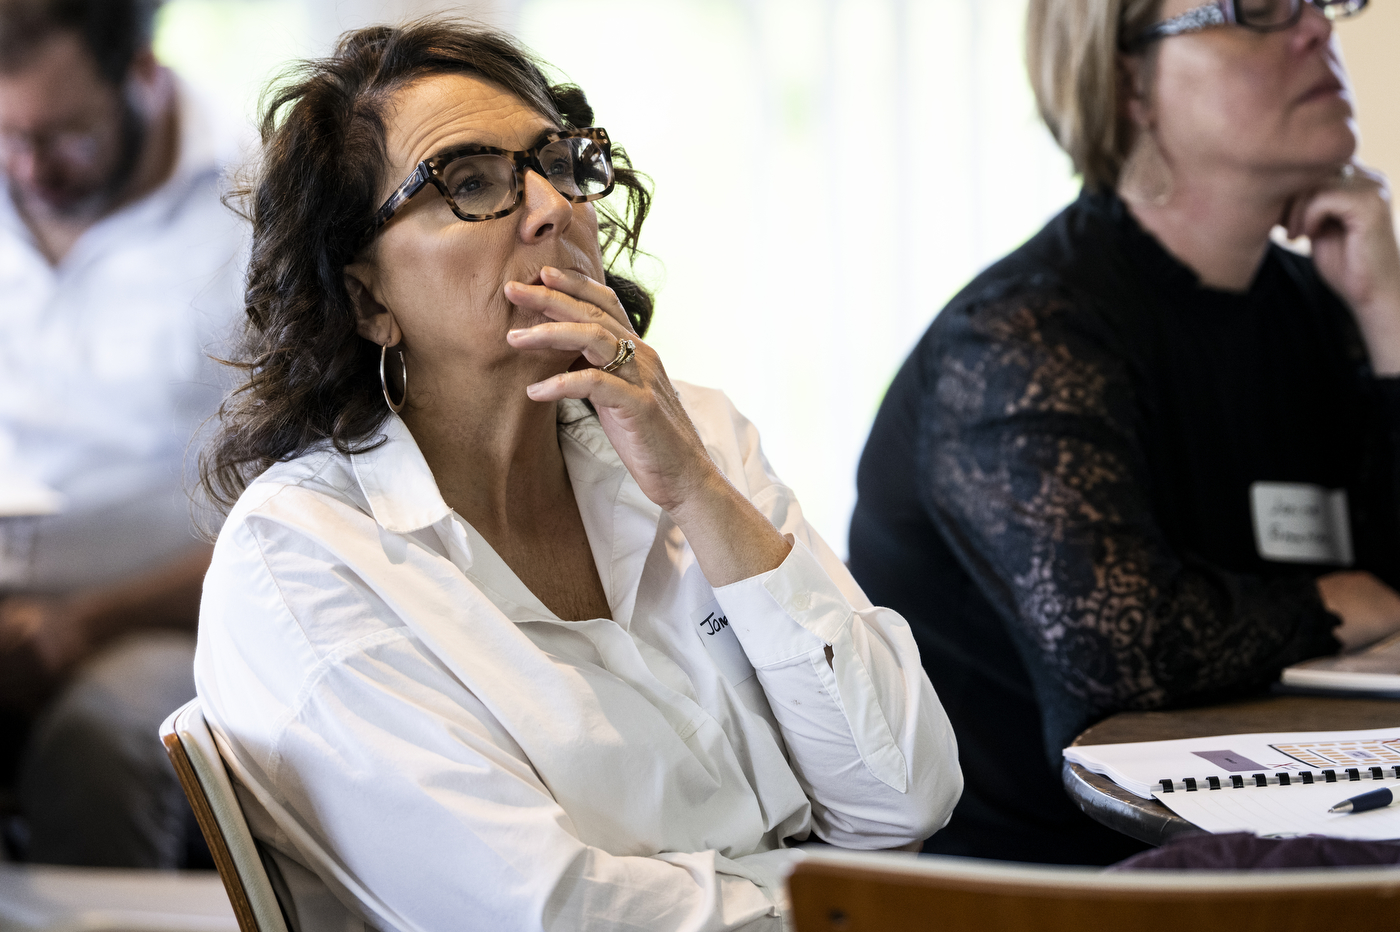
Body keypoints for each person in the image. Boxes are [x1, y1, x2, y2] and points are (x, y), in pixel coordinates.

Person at [193, 20, 961, 932]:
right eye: (469, 182)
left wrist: (700, 494)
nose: (553, 207)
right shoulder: (304, 561)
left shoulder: (695, 432)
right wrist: (837, 902)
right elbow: (547, 913)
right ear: (366, 300)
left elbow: (900, 798)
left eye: (557, 163)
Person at [849, 0, 1400, 866]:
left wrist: (1388, 317)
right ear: (1125, 79)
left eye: (1318, 2)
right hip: (1045, 890)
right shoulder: (1022, 334)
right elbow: (1121, 649)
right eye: (1256, 9)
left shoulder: (1320, 304)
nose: (1316, 30)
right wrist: (1341, 603)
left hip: (1282, 837)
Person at [0, 0, 244, 866]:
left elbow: (305, 504)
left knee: (97, 748)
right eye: (6, 135)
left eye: (63, 136)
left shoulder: (257, 210)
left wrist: (84, 622)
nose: (28, 168)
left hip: (174, 609)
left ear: (143, 74)